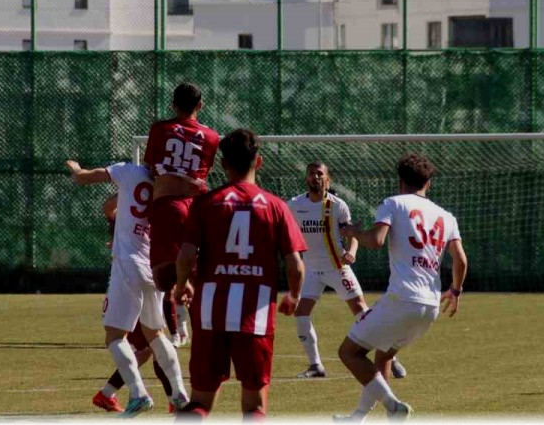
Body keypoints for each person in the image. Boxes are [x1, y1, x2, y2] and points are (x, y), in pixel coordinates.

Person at [171, 129, 307, 418]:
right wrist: (293, 295)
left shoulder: (205, 203)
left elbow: (185, 254)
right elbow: (295, 264)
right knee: (254, 406)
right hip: (254, 316)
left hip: (210, 311)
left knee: (199, 402)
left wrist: (182, 285)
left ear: (223, 164)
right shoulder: (276, 206)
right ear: (258, 162)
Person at [336, 153, 467, 421]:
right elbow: (461, 259)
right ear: (428, 183)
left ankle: (394, 406)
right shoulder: (446, 216)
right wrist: (455, 290)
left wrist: (351, 233)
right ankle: (360, 416)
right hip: (429, 306)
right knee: (383, 356)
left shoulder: (393, 203)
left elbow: (376, 240)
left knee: (349, 352)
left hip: (402, 299)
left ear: (400, 180)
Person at [67, 159, 189, 417]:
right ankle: (179, 393)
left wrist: (77, 170)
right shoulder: (171, 188)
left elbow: (87, 180)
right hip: (152, 265)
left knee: (114, 336)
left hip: (127, 262)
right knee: (156, 334)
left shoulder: (129, 171)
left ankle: (138, 394)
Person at [288, 162, 406, 380]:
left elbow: (351, 233)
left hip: (336, 267)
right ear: (306, 178)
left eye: (320, 174)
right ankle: (315, 366)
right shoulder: (294, 205)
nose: (315, 177)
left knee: (362, 311)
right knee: (301, 315)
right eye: (311, 174)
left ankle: (391, 357)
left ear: (328, 179)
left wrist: (352, 251)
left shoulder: (337, 205)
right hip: (311, 269)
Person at [144, 82, 221, 345]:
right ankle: (203, 332)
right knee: (197, 275)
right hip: (198, 207)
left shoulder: (160, 129)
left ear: (173, 104)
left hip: (167, 206)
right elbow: (203, 173)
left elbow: (152, 168)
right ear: (200, 105)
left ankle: (165, 334)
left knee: (162, 278)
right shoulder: (211, 137)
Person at [93, 194, 178, 414]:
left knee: (147, 346)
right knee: (148, 344)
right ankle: (173, 397)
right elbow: (109, 208)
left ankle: (109, 393)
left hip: (142, 276)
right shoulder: (146, 209)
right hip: (134, 278)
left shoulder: (158, 209)